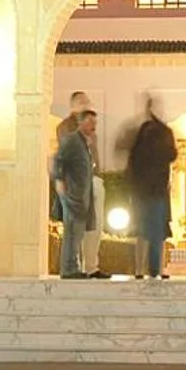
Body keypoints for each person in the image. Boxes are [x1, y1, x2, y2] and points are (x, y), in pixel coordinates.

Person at [53, 91, 110, 278]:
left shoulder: (90, 128)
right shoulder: (65, 128)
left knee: (95, 224)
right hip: (76, 185)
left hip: (93, 180)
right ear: (73, 106)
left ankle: (91, 266)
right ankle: (72, 267)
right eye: (82, 102)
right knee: (75, 226)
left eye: (88, 102)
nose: (87, 105)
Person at [127, 94, 179, 280]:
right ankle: (149, 269)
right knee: (152, 228)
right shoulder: (159, 132)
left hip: (149, 188)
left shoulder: (146, 131)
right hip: (153, 188)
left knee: (148, 229)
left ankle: (145, 270)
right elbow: (171, 154)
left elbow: (133, 160)